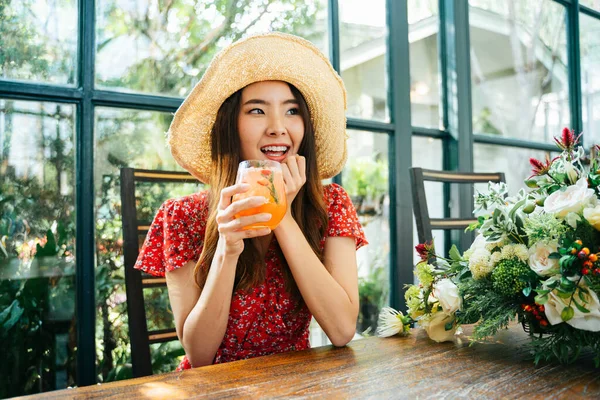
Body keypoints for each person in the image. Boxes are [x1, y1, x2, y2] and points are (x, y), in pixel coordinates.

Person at [135, 32, 368, 371]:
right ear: (231, 126)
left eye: (291, 111)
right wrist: (227, 251)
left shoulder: (330, 204)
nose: (277, 128)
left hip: (298, 385)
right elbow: (199, 355)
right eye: (257, 110)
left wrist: (281, 215)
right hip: (215, 389)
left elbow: (342, 329)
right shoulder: (182, 216)